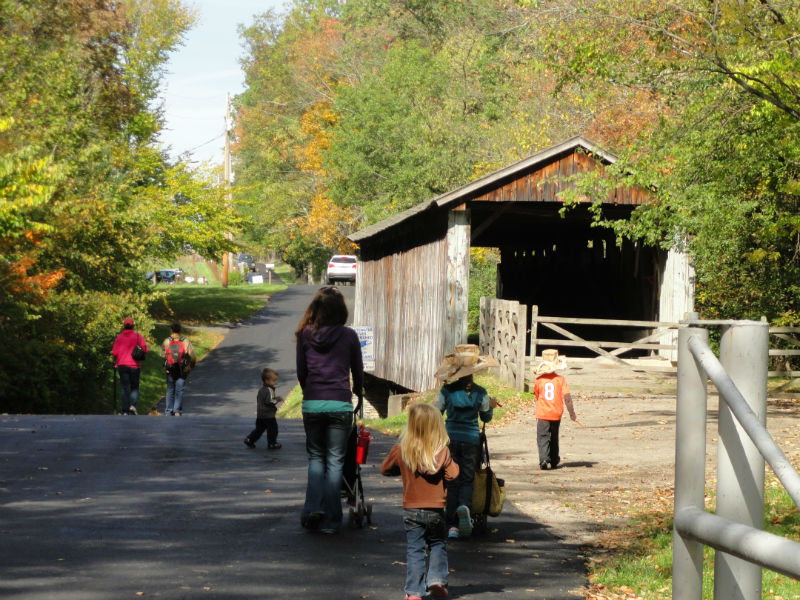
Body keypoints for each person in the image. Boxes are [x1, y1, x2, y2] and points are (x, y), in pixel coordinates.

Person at [296, 286, 364, 534]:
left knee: (316, 458)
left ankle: (314, 507)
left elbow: (301, 373)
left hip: (313, 402)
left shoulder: (305, 335)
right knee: (335, 461)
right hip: (339, 403)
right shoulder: (349, 336)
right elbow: (357, 371)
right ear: (341, 311)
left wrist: (310, 393)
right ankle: (332, 522)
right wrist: (358, 393)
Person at [381, 403, 459, 600]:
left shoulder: (402, 450)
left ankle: (414, 592)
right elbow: (454, 474)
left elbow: (385, 469)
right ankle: (437, 580)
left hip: (412, 509)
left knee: (415, 549)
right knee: (438, 543)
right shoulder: (442, 452)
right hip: (436, 510)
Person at [433, 344, 498, 539]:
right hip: (471, 440)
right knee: (468, 479)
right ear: (473, 372)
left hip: (450, 439)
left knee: (451, 479)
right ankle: (465, 507)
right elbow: (486, 418)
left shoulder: (447, 391)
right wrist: (491, 406)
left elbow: (437, 413)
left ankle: (452, 526)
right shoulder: (481, 392)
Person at [533, 349, 577, 470]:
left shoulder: (538, 380)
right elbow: (567, 397)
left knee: (542, 436)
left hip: (542, 413)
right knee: (554, 436)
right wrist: (572, 413)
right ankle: (554, 459)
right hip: (556, 412)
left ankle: (543, 459)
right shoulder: (561, 380)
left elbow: (537, 395)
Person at [111, 317, 148, 415]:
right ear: (133, 326)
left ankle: (124, 410)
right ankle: (132, 406)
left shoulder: (119, 337)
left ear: (124, 326)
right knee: (134, 387)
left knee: (124, 387)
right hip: (134, 365)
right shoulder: (137, 336)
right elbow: (145, 349)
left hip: (122, 365)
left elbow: (114, 352)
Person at [160, 322, 196, 416]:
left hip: (170, 370)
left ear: (171, 330)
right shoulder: (185, 341)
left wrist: (166, 366)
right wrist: (190, 366)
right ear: (180, 330)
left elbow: (162, 355)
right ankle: (177, 411)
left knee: (170, 389)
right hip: (181, 370)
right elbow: (193, 356)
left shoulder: (167, 341)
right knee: (179, 390)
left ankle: (168, 411)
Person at [244, 368, 283, 449]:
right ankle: (272, 443)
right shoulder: (270, 390)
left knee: (259, 429)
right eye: (274, 380)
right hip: (268, 415)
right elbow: (270, 401)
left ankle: (250, 439)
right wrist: (278, 399)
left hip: (260, 415)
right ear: (267, 381)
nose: (275, 382)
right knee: (273, 430)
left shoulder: (261, 390)